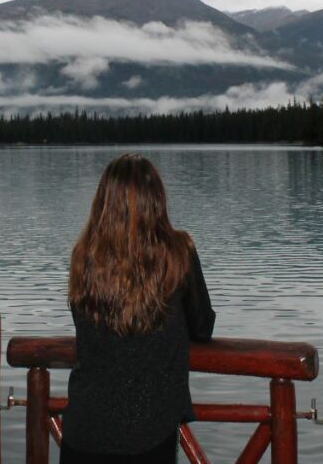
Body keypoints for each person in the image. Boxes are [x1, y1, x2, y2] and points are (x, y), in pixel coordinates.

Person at [60, 154, 216, 463]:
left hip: (84, 431)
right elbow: (203, 327)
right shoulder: (178, 251)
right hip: (149, 432)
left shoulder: (84, 256)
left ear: (103, 201)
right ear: (156, 200)